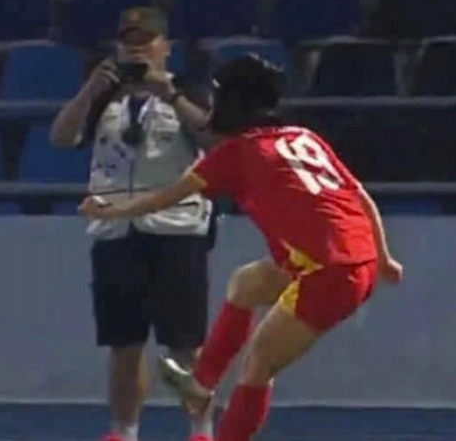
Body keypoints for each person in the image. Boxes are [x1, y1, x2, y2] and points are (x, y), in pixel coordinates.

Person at [79, 54, 404, 441]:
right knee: (246, 283)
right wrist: (384, 258)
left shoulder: (236, 154)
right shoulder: (303, 137)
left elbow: (167, 197)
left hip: (328, 273)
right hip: (354, 256)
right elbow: (360, 196)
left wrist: (112, 210)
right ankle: (200, 385)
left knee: (258, 366)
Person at [50, 7, 217, 441]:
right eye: (129, 42)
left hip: (177, 228)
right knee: (124, 345)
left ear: (167, 47)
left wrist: (171, 95)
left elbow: (216, 141)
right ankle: (124, 432)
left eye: (147, 41)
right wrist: (89, 90)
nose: (137, 49)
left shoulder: (190, 90)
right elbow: (62, 137)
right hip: (115, 231)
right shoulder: (104, 95)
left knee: (185, 346)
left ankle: (202, 430)